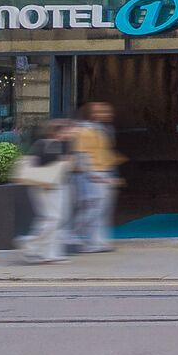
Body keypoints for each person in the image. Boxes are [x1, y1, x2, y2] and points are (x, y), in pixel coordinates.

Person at [17, 123, 77, 263]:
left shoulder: (62, 145)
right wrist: (63, 160)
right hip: (46, 186)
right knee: (52, 219)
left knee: (54, 220)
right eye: (66, 131)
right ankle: (29, 243)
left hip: (57, 185)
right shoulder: (46, 144)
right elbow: (36, 163)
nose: (69, 133)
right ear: (57, 132)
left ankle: (49, 253)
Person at [70, 99, 121, 255]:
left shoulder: (102, 129)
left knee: (100, 210)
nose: (105, 114)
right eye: (99, 111)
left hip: (102, 172)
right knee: (91, 210)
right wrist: (92, 173)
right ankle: (72, 236)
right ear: (90, 114)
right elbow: (82, 155)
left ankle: (96, 241)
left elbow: (105, 152)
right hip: (91, 175)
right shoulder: (84, 130)